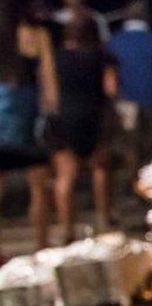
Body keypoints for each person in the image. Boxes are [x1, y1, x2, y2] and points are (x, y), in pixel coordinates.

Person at [0, 0, 59, 251]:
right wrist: (53, 114)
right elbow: (49, 80)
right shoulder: (36, 34)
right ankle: (41, 246)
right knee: (39, 183)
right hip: (27, 111)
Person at [48, 12, 117, 239]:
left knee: (65, 175)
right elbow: (111, 88)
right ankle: (104, 219)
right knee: (100, 168)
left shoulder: (57, 58)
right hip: (94, 116)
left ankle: (67, 229)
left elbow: (49, 91)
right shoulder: (102, 56)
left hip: (64, 117)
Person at [107, 0, 152, 173]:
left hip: (125, 100)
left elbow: (110, 77)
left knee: (131, 143)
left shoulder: (113, 43)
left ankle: (132, 180)